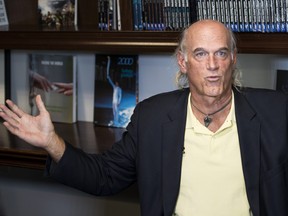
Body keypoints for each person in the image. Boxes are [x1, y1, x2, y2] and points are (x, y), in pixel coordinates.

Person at [0, 19, 287, 216]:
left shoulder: (276, 111)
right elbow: (104, 177)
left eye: (221, 53)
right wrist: (52, 142)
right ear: (183, 62)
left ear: (233, 58)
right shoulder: (152, 117)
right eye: (200, 54)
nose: (212, 65)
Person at [106, 56, 122, 126]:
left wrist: (119, 102)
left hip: (116, 102)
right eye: (115, 83)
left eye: (116, 83)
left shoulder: (119, 89)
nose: (116, 83)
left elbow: (120, 96)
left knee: (116, 112)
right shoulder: (114, 87)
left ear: (118, 83)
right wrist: (108, 77)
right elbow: (110, 81)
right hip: (113, 101)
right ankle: (115, 121)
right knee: (114, 112)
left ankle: (117, 121)